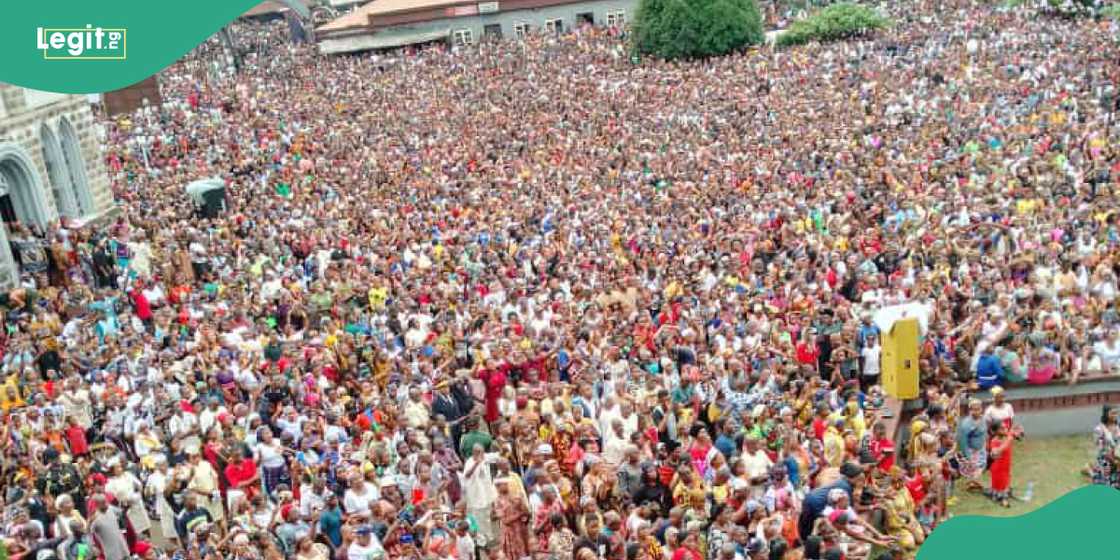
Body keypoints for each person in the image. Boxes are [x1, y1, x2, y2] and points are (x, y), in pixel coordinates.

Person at [987, 422, 1014, 508]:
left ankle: (1004, 493)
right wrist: (1008, 440)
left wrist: (1017, 432)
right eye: (1002, 428)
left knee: (1006, 479)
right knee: (1000, 483)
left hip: (1006, 465)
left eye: (1005, 427)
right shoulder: (994, 441)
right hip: (998, 468)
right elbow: (996, 452)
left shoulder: (1006, 436)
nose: (1005, 429)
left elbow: (1017, 434)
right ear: (995, 431)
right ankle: (1002, 498)